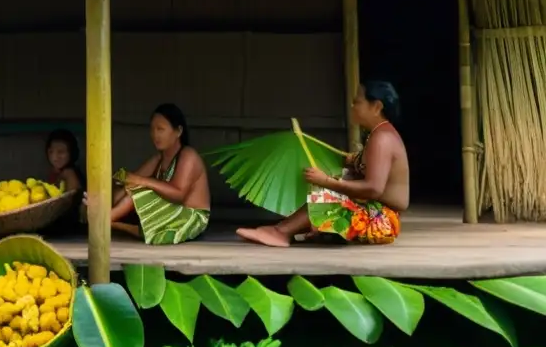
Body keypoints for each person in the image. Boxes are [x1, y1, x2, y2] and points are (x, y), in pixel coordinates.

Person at [237, 81, 409, 248]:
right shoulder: (379, 134)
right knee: (337, 184)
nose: (352, 107)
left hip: (382, 219)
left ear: (376, 107)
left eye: (357, 102)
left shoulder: (382, 138)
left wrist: (326, 181)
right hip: (375, 212)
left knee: (330, 194)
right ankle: (289, 230)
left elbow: (373, 188)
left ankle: (280, 232)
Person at [97, 103, 211, 245]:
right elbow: (130, 182)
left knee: (141, 189)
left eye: (160, 129)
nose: (155, 135)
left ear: (178, 131)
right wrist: (103, 199)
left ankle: (103, 221)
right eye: (152, 129)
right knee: (132, 187)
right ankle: (107, 220)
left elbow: (178, 194)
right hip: (171, 212)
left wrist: (143, 181)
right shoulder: (159, 158)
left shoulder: (188, 156)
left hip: (191, 216)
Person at [46, 129, 84, 194]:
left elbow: (71, 201)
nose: (54, 158)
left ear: (71, 153)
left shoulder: (69, 174)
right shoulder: (55, 172)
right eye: (51, 152)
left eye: (61, 152)